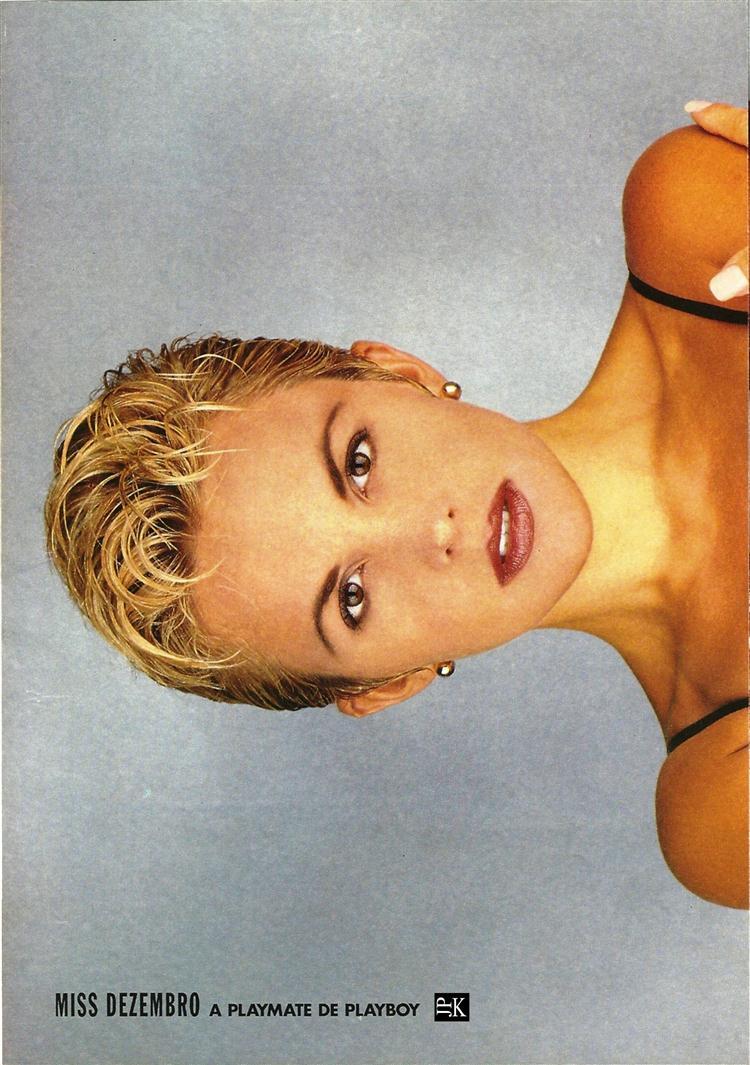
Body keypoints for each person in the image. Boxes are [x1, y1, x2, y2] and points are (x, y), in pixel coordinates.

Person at [45, 103, 749, 908]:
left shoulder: (690, 227)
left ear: (401, 374)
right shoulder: (718, 807)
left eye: (358, 461)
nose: (430, 532)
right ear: (391, 683)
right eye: (351, 597)